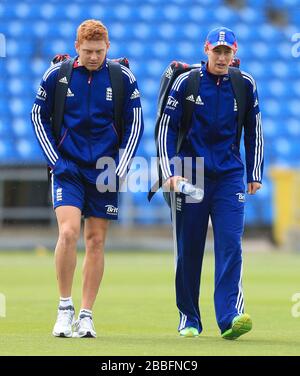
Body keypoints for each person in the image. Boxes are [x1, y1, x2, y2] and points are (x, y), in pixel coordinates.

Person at [31, 19, 143, 338]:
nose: (94, 56)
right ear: (76, 47)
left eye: (99, 50)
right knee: (67, 232)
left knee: (95, 241)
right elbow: (37, 115)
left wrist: (120, 167)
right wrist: (54, 160)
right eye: (88, 50)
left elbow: (135, 123)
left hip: (105, 169)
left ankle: (86, 315)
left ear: (107, 47)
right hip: (68, 167)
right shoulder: (58, 75)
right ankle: (64, 309)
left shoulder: (122, 77)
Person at [157, 27, 263, 339]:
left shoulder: (244, 84)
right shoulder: (185, 83)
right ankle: (189, 318)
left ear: (234, 53)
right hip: (190, 174)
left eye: (226, 52)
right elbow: (165, 128)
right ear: (206, 50)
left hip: (229, 176)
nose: (221, 57)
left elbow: (254, 129)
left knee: (231, 244)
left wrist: (254, 173)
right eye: (216, 51)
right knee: (189, 249)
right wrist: (168, 171)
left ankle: (230, 317)